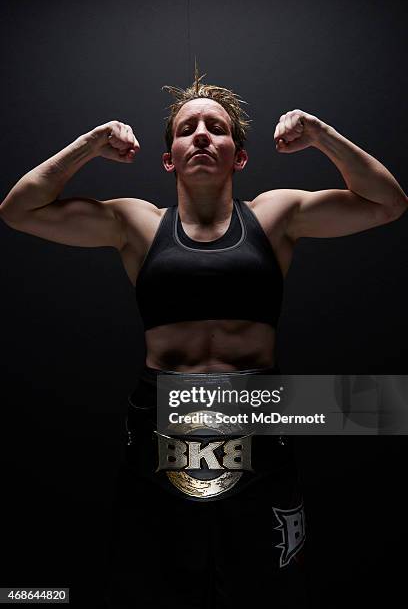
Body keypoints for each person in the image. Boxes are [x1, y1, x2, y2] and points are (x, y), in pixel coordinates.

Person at [0, 69, 406, 608]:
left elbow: (389, 203)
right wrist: (90, 145)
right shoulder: (137, 223)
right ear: (168, 157)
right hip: (161, 419)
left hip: (260, 413)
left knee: (269, 591)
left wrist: (321, 135)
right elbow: (18, 210)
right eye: (187, 128)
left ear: (238, 156)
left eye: (216, 128)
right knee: (152, 590)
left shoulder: (275, 214)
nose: (201, 135)